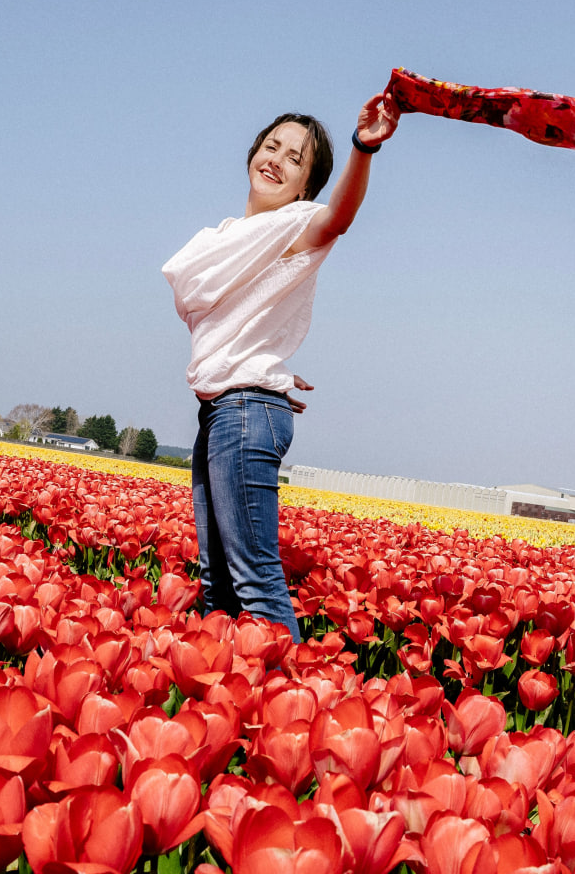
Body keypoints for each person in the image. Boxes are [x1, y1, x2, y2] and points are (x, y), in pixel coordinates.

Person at [162, 92, 400, 640]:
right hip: (229, 407)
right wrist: (269, 366)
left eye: (295, 158)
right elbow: (226, 327)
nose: (276, 159)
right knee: (216, 583)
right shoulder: (224, 237)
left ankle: (286, 710)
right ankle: (222, 704)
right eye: (271, 146)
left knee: (255, 581)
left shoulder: (297, 226)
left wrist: (364, 147)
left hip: (244, 411)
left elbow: (340, 218)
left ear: (305, 187)